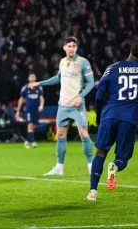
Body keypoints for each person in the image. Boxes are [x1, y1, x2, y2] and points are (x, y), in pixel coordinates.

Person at [29, 37, 94, 176]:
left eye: (74, 46)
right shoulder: (63, 62)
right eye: (69, 46)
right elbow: (58, 78)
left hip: (77, 105)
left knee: (83, 133)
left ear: (76, 48)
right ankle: (59, 168)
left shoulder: (83, 62)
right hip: (63, 106)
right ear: (64, 47)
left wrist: (80, 96)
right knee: (60, 135)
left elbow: (91, 82)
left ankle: (91, 166)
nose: (71, 48)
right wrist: (39, 83)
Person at [86, 43, 138, 201]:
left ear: (131, 51)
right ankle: (114, 166)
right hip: (129, 118)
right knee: (122, 158)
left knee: (100, 152)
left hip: (110, 114)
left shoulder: (113, 67)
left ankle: (93, 192)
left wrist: (99, 113)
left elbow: (100, 92)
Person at [16, 73, 44, 148]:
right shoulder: (25, 88)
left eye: (33, 77)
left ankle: (27, 141)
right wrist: (18, 111)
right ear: (28, 78)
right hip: (28, 110)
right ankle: (33, 141)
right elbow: (21, 99)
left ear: (35, 78)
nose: (32, 78)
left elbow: (41, 98)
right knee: (30, 125)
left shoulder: (39, 88)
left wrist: (41, 105)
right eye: (31, 77)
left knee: (33, 126)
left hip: (36, 110)